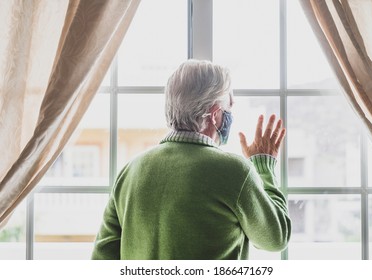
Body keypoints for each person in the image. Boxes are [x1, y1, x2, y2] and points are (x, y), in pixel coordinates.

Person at [91, 59, 291, 260]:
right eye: (229, 104)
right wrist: (263, 165)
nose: (231, 111)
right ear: (215, 115)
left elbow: (102, 258)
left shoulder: (131, 170)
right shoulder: (234, 171)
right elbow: (276, 239)